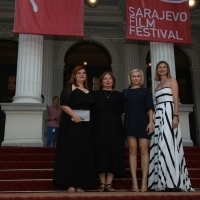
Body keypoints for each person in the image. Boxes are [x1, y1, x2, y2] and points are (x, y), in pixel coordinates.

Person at [148, 61, 194, 192]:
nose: (162, 69)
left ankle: (173, 181)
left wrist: (175, 116)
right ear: (156, 70)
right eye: (159, 68)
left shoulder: (172, 81)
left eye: (164, 67)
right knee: (159, 145)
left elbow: (175, 100)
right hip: (159, 115)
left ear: (167, 69)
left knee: (169, 144)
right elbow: (156, 103)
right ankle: (160, 180)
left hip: (169, 113)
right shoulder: (156, 86)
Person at [53, 66, 96, 193]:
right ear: (74, 75)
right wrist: (74, 116)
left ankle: (81, 183)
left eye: (84, 73)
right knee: (71, 153)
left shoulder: (88, 89)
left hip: (86, 126)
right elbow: (64, 104)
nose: (82, 75)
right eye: (79, 73)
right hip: (72, 124)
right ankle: (70, 183)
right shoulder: (69, 87)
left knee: (83, 153)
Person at [93, 72, 126, 192]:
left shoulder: (119, 95)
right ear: (101, 81)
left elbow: (123, 110)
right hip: (99, 126)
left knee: (114, 152)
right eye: (105, 79)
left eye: (110, 79)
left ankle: (109, 183)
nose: (107, 81)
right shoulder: (95, 94)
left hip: (115, 127)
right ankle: (102, 183)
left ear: (113, 81)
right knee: (101, 152)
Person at [122, 69, 154, 192]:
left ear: (141, 78)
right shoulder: (125, 92)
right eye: (133, 76)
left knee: (144, 150)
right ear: (130, 78)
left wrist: (151, 122)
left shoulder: (145, 91)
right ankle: (134, 181)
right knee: (133, 150)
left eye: (138, 76)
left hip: (143, 121)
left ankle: (144, 180)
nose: (136, 78)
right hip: (130, 121)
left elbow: (150, 107)